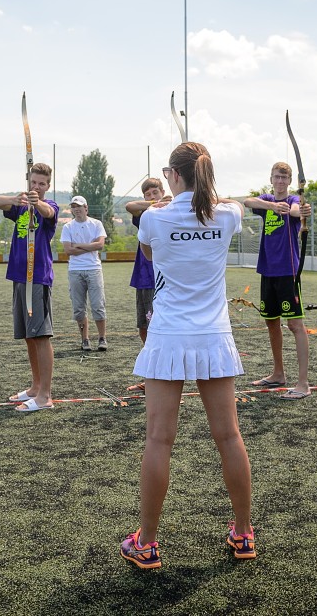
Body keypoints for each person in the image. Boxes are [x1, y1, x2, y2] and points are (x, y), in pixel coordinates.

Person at [119, 142, 255, 569]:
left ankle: (148, 543)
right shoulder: (227, 213)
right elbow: (234, 203)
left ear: (174, 176)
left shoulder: (154, 218)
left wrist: (165, 202)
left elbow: (149, 252)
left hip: (169, 335)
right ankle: (244, 533)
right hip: (213, 335)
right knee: (229, 436)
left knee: (159, 439)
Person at [0, 162, 59, 412]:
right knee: (29, 335)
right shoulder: (19, 207)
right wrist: (16, 199)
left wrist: (35, 201)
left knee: (40, 335)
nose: (36, 187)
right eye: (33, 182)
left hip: (37, 277)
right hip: (19, 276)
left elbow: (48, 213)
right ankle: (35, 387)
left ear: (48, 186)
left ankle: (45, 396)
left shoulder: (49, 206)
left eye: (41, 184)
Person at [243, 162, 313, 400]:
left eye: (284, 177)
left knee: (295, 325)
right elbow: (248, 201)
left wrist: (300, 211)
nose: (280, 181)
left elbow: (296, 211)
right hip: (268, 271)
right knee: (271, 322)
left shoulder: (293, 201)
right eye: (277, 177)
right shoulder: (267, 201)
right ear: (271, 179)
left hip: (288, 272)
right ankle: (278, 374)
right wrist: (272, 205)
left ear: (290, 181)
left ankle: (303, 383)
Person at [124, 178, 169, 393]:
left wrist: (165, 204)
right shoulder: (145, 213)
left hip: (159, 278)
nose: (152, 197)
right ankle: (151, 376)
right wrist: (154, 204)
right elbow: (129, 206)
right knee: (144, 327)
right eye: (148, 194)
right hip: (142, 277)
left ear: (163, 192)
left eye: (155, 193)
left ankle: (164, 381)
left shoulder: (169, 212)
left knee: (158, 329)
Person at [60, 195, 108, 351]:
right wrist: (90, 246)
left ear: (86, 208)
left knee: (98, 305)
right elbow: (68, 250)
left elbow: (100, 245)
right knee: (79, 308)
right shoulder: (68, 227)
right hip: (75, 270)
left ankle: (102, 338)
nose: (76, 209)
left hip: (94, 269)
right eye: (74, 207)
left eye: (79, 206)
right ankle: (85, 339)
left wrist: (78, 246)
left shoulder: (96, 224)